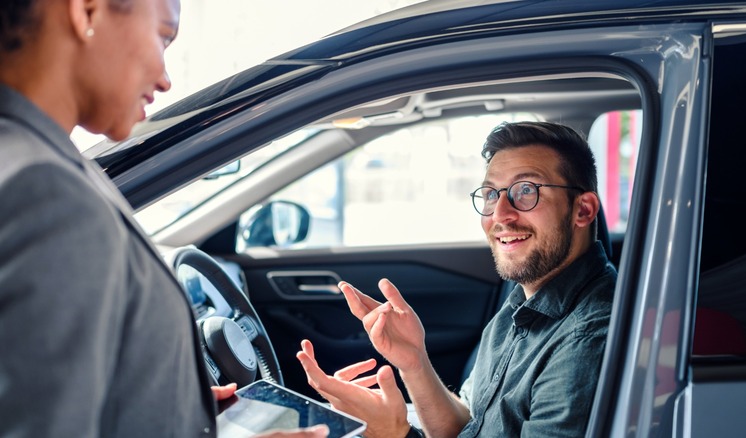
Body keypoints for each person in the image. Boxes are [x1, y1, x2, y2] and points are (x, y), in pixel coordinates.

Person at [0, 1, 326, 437]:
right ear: (86, 11)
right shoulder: (44, 192)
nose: (166, 79)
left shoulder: (35, 161)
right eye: (163, 36)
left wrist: (173, 413)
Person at [297, 121, 616, 437]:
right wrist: (415, 362)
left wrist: (393, 432)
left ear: (583, 211)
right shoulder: (524, 300)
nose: (500, 214)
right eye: (491, 194)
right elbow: (470, 424)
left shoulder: (586, 337)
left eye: (526, 191)